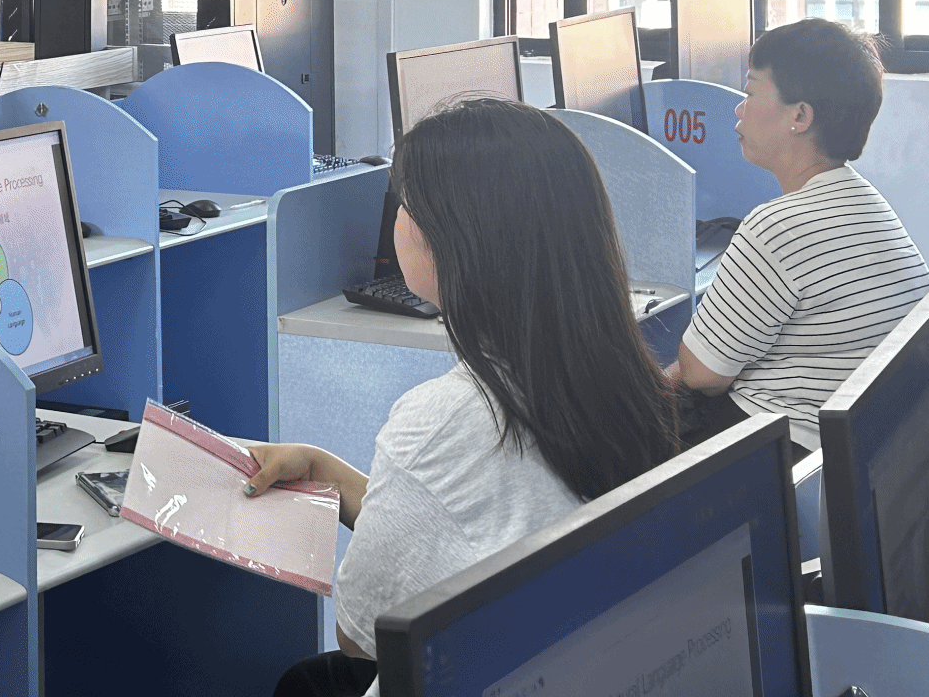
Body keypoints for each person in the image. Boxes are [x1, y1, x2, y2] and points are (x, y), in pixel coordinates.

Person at [246, 100, 680, 697]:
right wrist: (324, 471)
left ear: (450, 240)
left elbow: (361, 634)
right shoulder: (615, 374)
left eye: (403, 203)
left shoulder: (446, 420)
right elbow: (467, 523)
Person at [673, 19, 929, 452]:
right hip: (861, 449)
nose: (738, 109)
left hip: (789, 454)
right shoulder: (867, 202)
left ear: (800, 116)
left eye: (751, 92)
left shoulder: (776, 227)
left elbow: (702, 375)